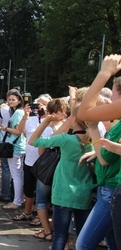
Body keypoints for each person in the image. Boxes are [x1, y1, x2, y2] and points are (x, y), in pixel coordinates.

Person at [29, 104, 93, 250]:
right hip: (83, 192)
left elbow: (33, 141)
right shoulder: (92, 139)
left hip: (63, 192)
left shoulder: (65, 139)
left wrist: (45, 121)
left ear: (74, 118)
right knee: (83, 236)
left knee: (59, 237)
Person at [78, 54, 121, 250]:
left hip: (112, 188)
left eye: (113, 93)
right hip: (112, 186)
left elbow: (84, 112)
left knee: (84, 245)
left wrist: (105, 72)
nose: (111, 98)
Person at [0, 90, 26, 210]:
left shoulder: (18, 113)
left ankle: (17, 201)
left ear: (19, 100)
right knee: (18, 175)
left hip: (15, 147)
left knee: (16, 176)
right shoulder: (18, 112)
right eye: (9, 99)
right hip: (18, 146)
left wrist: (5, 128)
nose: (10, 102)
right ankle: (18, 200)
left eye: (13, 99)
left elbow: (18, 131)